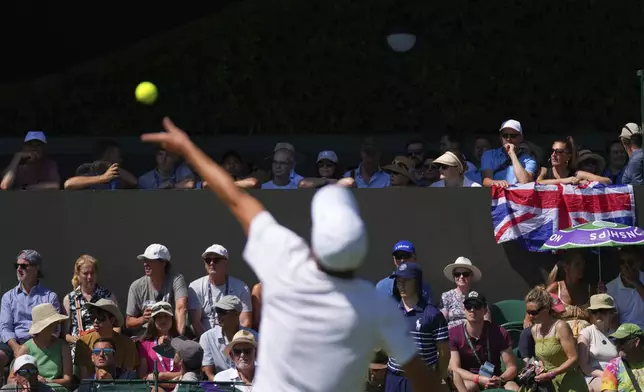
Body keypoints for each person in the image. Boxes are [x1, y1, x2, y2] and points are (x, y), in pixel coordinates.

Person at [141, 117, 441, 392]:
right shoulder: (376, 306)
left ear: (315, 243)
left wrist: (186, 147)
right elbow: (422, 377)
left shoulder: (286, 260)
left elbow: (234, 198)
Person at [386, 262, 450, 392]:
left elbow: (444, 354)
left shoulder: (432, 314)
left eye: (406, 280)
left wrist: (435, 378)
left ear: (416, 282)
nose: (401, 285)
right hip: (393, 379)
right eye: (398, 280)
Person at [0, 250, 60, 382]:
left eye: (24, 266)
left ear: (36, 268)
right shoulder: (8, 297)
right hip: (14, 343)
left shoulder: (49, 296)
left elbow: (55, 329)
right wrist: (16, 348)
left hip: (40, 342)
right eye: (17, 266)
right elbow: (5, 328)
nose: (19, 269)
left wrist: (33, 345)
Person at [449, 291, 519, 392]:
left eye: (477, 306)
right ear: (464, 309)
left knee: (513, 388)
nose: (472, 310)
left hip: (495, 378)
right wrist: (478, 379)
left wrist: (500, 379)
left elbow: (512, 367)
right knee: (470, 387)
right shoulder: (453, 333)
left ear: (485, 310)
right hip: (469, 380)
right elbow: (455, 368)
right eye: (468, 306)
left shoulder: (499, 332)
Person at [524, 286, 588, 392]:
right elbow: (544, 356)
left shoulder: (561, 327)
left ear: (546, 309)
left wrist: (551, 374)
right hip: (549, 386)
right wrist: (539, 365)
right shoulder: (534, 330)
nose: (530, 316)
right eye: (528, 312)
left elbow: (573, 358)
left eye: (534, 312)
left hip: (570, 385)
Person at [188, 244, 253, 337]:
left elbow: (245, 322)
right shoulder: (195, 286)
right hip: (205, 340)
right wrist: (208, 342)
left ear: (226, 263)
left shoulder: (241, 287)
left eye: (216, 260)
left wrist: (233, 342)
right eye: (207, 260)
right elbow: (195, 322)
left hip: (234, 340)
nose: (211, 263)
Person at [62, 255, 118, 359]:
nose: (89, 277)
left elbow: (117, 327)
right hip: (80, 350)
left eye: (92, 273)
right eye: (85, 273)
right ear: (77, 275)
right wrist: (76, 340)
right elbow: (65, 334)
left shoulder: (108, 296)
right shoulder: (69, 299)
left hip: (104, 350)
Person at [125, 244, 188, 336]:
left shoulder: (176, 279)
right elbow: (128, 322)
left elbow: (181, 308)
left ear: (163, 263)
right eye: (145, 260)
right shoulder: (136, 286)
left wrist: (178, 338)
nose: (145, 264)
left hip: (171, 333)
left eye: (150, 260)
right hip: (146, 336)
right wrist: (143, 319)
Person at [10, 304, 71, 391]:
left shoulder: (62, 346)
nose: (57, 324)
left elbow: (67, 379)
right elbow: (11, 379)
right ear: (44, 326)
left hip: (56, 389)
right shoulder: (26, 348)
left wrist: (47, 382)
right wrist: (27, 380)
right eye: (53, 322)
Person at [74, 299, 139, 380]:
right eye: (93, 317)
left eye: (100, 318)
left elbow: (128, 377)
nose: (95, 321)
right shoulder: (83, 342)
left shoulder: (128, 344)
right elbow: (84, 379)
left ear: (112, 320)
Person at [200, 296, 258, 380]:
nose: (218, 316)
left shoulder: (255, 337)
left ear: (237, 313)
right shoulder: (207, 338)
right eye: (218, 311)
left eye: (223, 312)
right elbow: (208, 374)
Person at [577, 294, 618, 392]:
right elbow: (584, 366)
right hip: (594, 375)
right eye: (594, 311)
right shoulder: (586, 333)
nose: (598, 314)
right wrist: (605, 375)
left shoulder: (617, 333)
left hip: (618, 373)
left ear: (611, 313)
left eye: (603, 311)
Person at [139, 302, 181, 387]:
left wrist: (162, 376)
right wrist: (168, 383)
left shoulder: (182, 342)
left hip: (180, 387)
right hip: (156, 388)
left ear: (172, 319)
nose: (163, 320)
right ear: (153, 320)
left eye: (166, 316)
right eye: (159, 317)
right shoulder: (144, 344)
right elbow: (143, 377)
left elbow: (187, 372)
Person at [439, 257, 489, 329]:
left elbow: (487, 320)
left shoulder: (478, 297)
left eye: (465, 274)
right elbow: (441, 322)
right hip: (453, 336)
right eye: (457, 274)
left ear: (471, 276)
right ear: (454, 276)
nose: (461, 277)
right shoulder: (446, 296)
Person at [601, 323, 644, 392]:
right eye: (616, 341)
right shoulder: (613, 367)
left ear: (636, 342)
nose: (618, 346)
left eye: (621, 342)